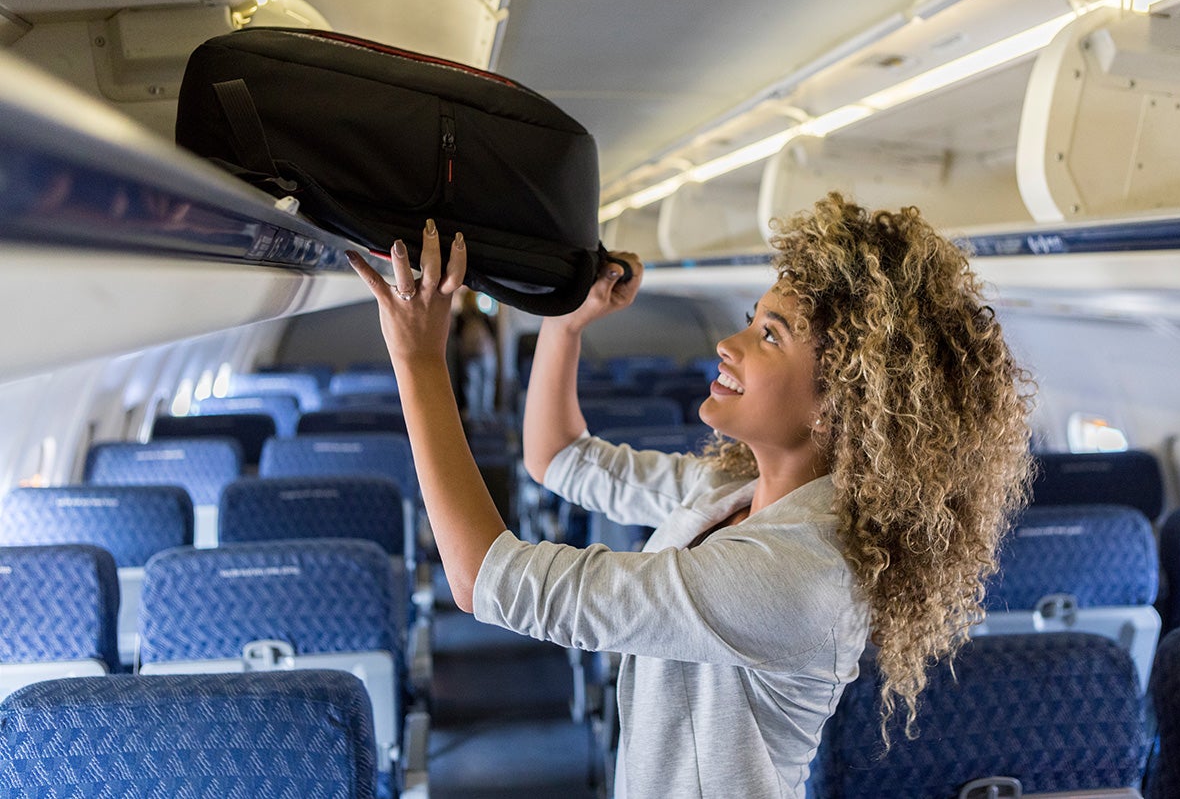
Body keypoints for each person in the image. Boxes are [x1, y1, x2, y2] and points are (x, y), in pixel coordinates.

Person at [346, 192, 1034, 798]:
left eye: (771, 334)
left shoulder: (796, 577)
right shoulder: (736, 489)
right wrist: (566, 322)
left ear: (837, 403)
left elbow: (484, 578)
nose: (728, 344)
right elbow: (557, 456)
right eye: (750, 318)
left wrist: (417, 359)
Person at [451, 288, 498, 419]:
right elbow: (492, 334)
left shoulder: (460, 317)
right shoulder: (483, 315)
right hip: (486, 353)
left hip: (469, 354)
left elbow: (456, 337)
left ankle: (473, 414)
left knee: (472, 384)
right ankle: (487, 412)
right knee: (488, 382)